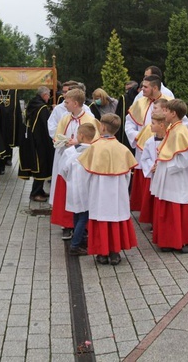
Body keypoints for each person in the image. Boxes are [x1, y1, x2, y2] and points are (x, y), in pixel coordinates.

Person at [78, 113, 138, 265]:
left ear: (102, 127)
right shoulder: (123, 149)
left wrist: (86, 192)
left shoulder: (94, 148)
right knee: (115, 219)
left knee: (101, 219)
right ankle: (114, 253)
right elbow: (127, 177)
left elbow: (85, 174)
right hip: (117, 194)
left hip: (99, 193)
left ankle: (102, 253)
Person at [150, 99, 188, 253]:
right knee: (168, 207)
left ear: (173, 113)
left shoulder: (181, 131)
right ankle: (170, 240)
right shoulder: (173, 128)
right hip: (170, 177)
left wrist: (168, 168)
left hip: (178, 178)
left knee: (180, 208)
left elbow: (186, 158)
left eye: (165, 111)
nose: (163, 113)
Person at [50, 88, 100, 240]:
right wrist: (63, 141)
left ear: (76, 103)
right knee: (66, 191)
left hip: (82, 162)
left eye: (67, 102)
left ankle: (82, 227)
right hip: (66, 159)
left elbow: (95, 140)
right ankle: (67, 224)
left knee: (81, 193)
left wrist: (78, 142)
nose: (64, 105)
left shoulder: (90, 120)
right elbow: (57, 135)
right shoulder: (65, 118)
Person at [62, 123, 96, 256]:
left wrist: (69, 180)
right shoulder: (94, 151)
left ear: (81, 136)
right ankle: (75, 244)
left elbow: (63, 170)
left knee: (77, 214)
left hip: (72, 186)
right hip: (87, 188)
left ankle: (80, 239)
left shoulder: (69, 151)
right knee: (84, 216)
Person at [129, 98, 166, 214]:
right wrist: (151, 166)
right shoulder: (150, 140)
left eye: (155, 108)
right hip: (155, 172)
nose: (152, 111)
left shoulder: (171, 136)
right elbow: (144, 157)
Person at [18, 86, 53, 202]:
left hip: (31, 139)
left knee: (39, 166)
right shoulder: (41, 108)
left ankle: (40, 190)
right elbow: (46, 125)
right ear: (44, 95)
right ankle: (35, 193)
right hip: (39, 141)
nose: (49, 97)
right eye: (48, 95)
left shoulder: (33, 104)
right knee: (41, 166)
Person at [0, 89, 24, 175]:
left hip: (11, 120)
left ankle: (8, 158)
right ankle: (0, 163)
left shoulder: (14, 91)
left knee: (10, 139)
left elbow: (16, 107)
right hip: (0, 120)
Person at [113, 80, 138, 152]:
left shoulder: (141, 99)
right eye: (126, 89)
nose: (128, 91)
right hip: (125, 128)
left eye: (130, 89)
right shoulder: (124, 98)